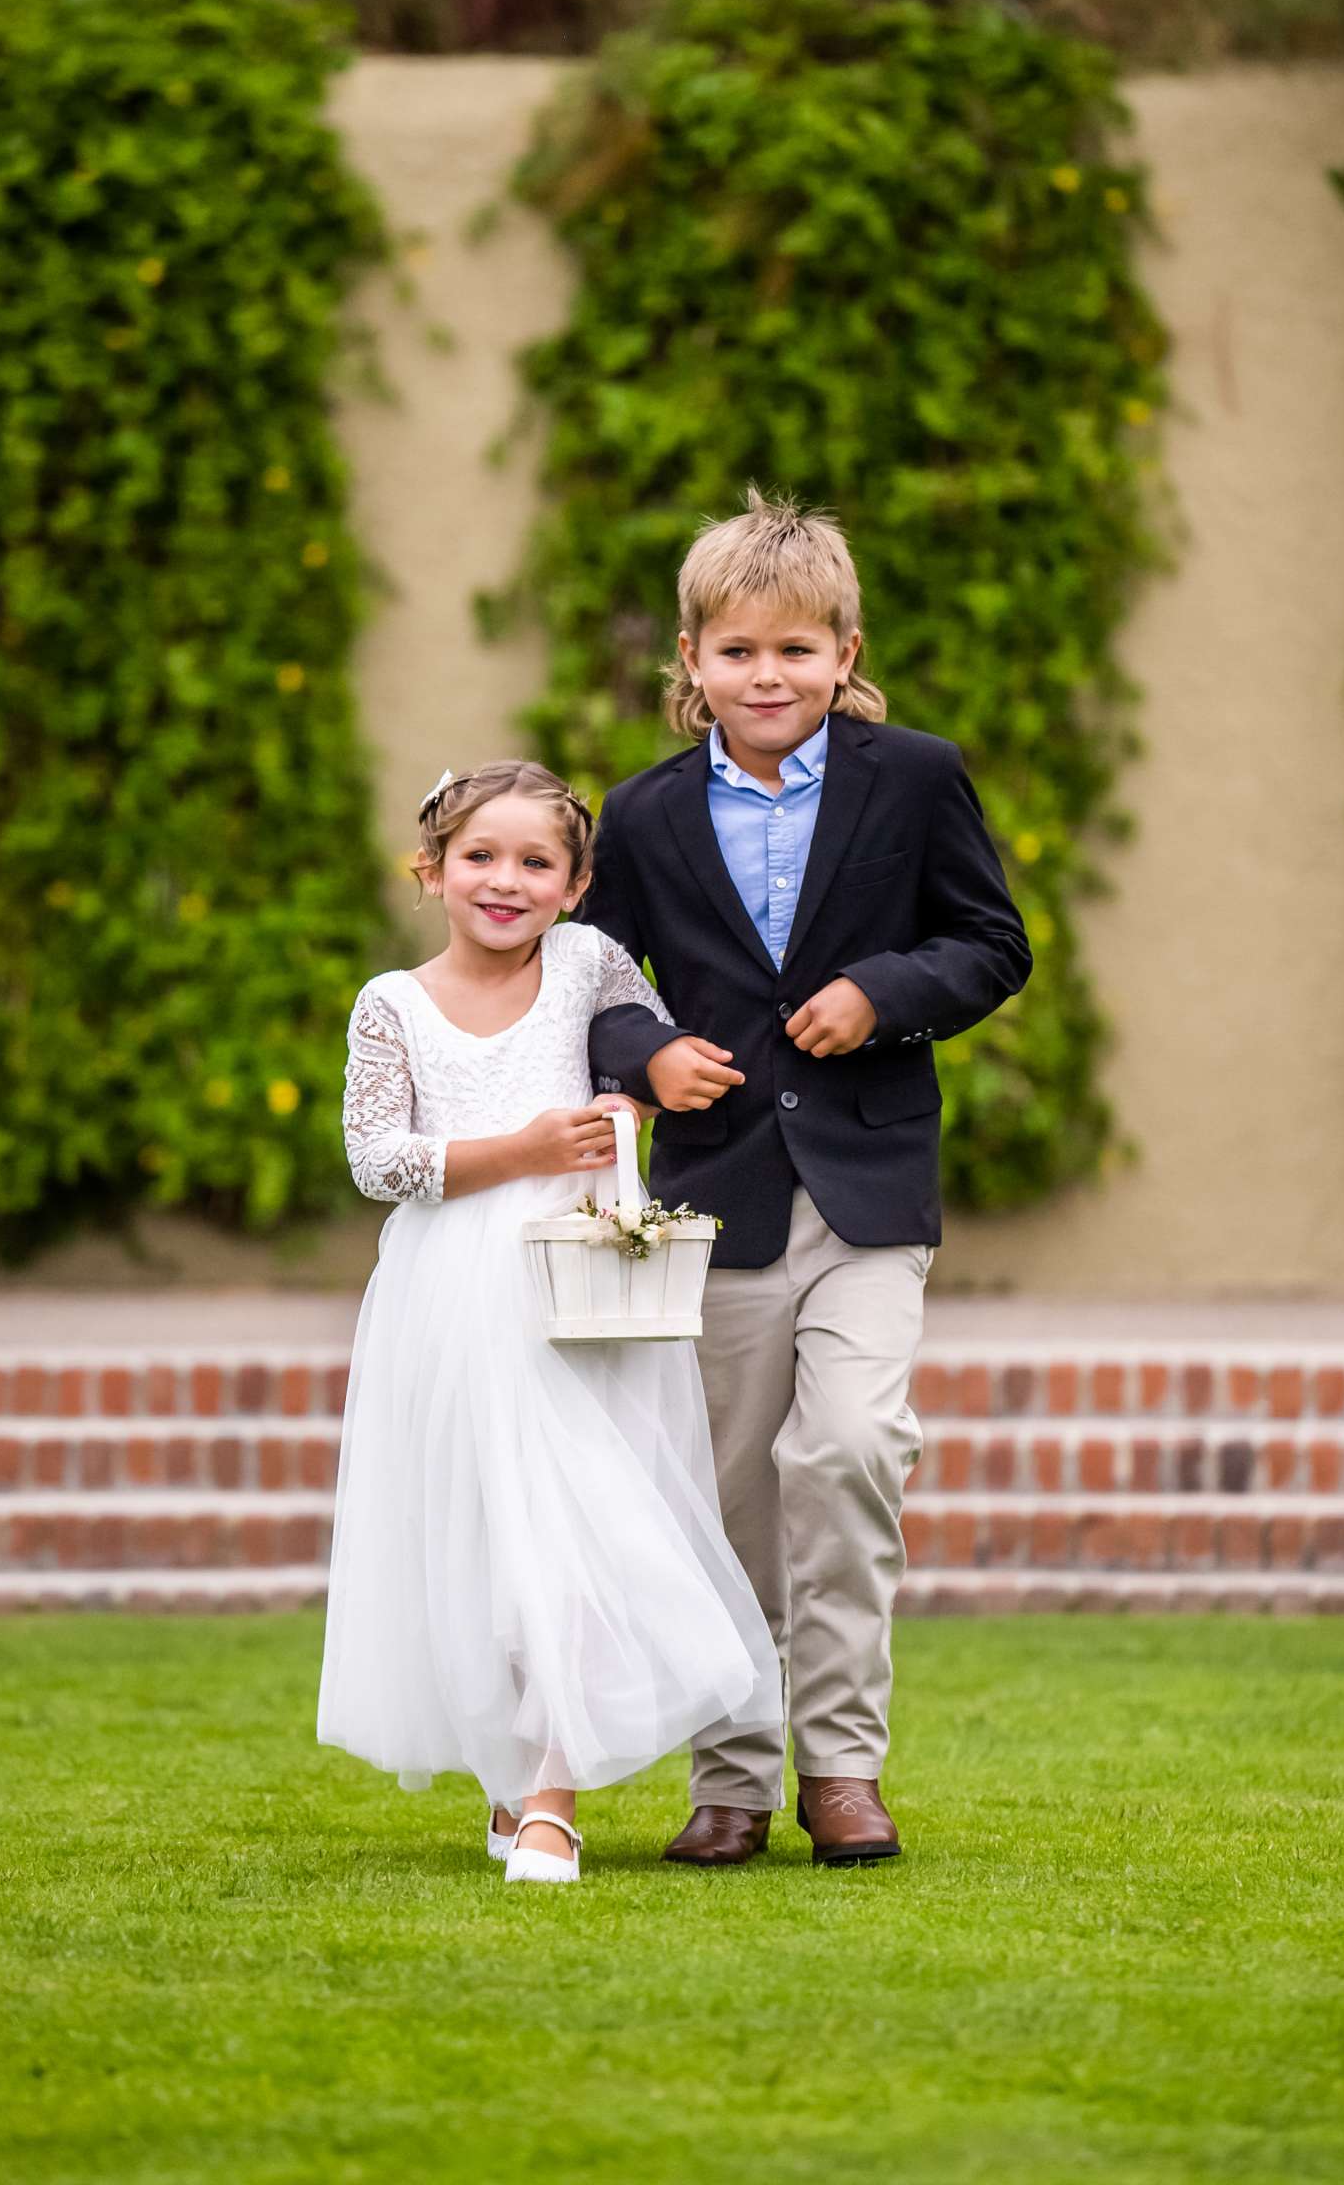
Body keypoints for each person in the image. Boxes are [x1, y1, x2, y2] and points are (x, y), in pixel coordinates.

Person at [581, 491, 1032, 1869]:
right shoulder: (643, 816)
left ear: (845, 651)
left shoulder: (916, 778)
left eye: (795, 651)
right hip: (716, 1201)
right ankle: (728, 1775)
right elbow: (589, 989)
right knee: (728, 1499)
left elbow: (990, 943)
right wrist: (649, 1057)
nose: (765, 677)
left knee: (845, 1455)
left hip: (871, 1193)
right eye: (737, 653)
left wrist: (881, 994)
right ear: (691, 660)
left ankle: (840, 1768)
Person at [317, 758, 780, 1885]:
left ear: (575, 885)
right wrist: (518, 1149)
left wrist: (628, 1102)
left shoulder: (588, 964)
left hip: (581, 1284)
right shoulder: (393, 1003)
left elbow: (638, 1048)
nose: (506, 880)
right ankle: (511, 1766)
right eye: (480, 856)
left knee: (578, 1535)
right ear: (430, 870)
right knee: (487, 1539)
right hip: (452, 1295)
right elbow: (376, 1159)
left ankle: (553, 1804)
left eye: (536, 862)